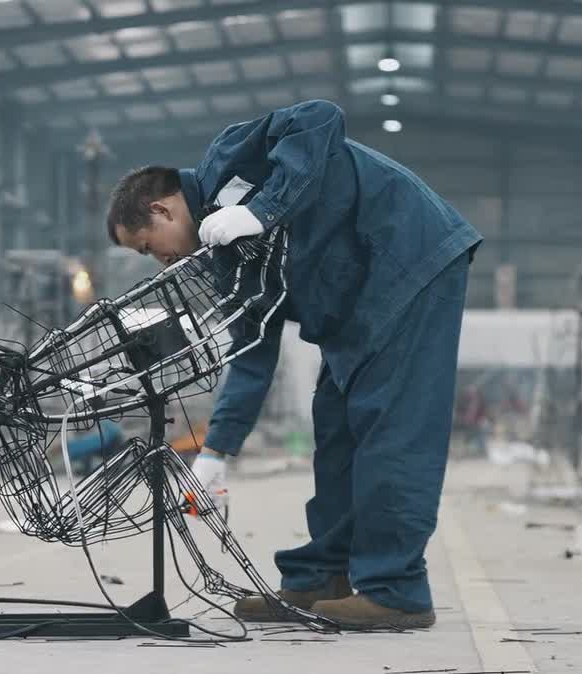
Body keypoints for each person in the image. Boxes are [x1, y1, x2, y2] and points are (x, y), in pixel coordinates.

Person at [105, 100, 482, 629]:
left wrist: (264, 209)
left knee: (390, 427)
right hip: (354, 307)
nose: (159, 260)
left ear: (163, 209)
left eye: (149, 246)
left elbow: (320, 116)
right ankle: (322, 574)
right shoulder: (226, 258)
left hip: (409, 260)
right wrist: (216, 452)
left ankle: (397, 590)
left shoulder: (229, 161)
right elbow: (253, 355)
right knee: (335, 427)